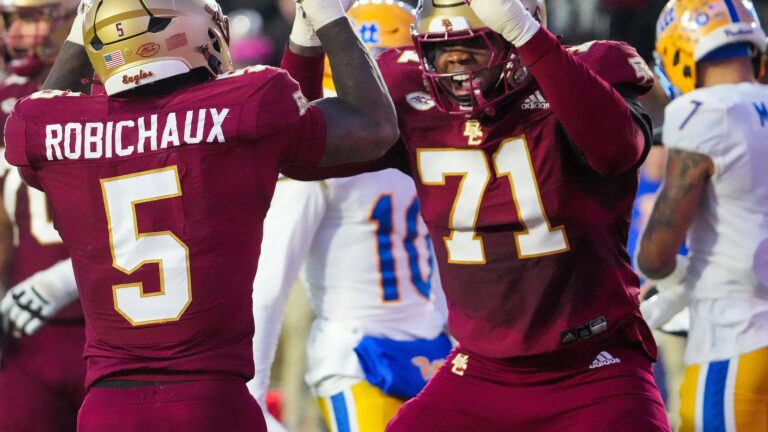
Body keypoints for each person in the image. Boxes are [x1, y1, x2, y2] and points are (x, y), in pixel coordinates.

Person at [2, 0, 398, 430]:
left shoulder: (44, 126)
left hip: (109, 407)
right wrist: (325, 16)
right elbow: (373, 126)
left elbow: (40, 122)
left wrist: (87, 31)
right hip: (211, 402)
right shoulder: (248, 105)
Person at [280, 0, 671, 430]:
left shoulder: (587, 68)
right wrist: (310, 31)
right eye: (440, 51)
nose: (455, 67)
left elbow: (619, 150)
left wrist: (527, 36)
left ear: (515, 33)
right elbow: (299, 153)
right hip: (484, 370)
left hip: (594, 367)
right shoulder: (411, 92)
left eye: (472, 49)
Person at [249, 2, 450, 431]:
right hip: (360, 357)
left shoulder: (426, 144)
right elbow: (268, 283)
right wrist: (253, 393)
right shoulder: (328, 158)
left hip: (435, 352)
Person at [638, 1, 768, 430]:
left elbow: (655, 255)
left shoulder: (703, 113)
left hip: (735, 340)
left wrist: (676, 279)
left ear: (680, 51)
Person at [0, 1, 85, 431]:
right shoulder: (5, 99)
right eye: (8, 19)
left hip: (115, 330)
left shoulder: (117, 91)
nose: (15, 33)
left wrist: (62, 280)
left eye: (31, 17)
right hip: (24, 333)